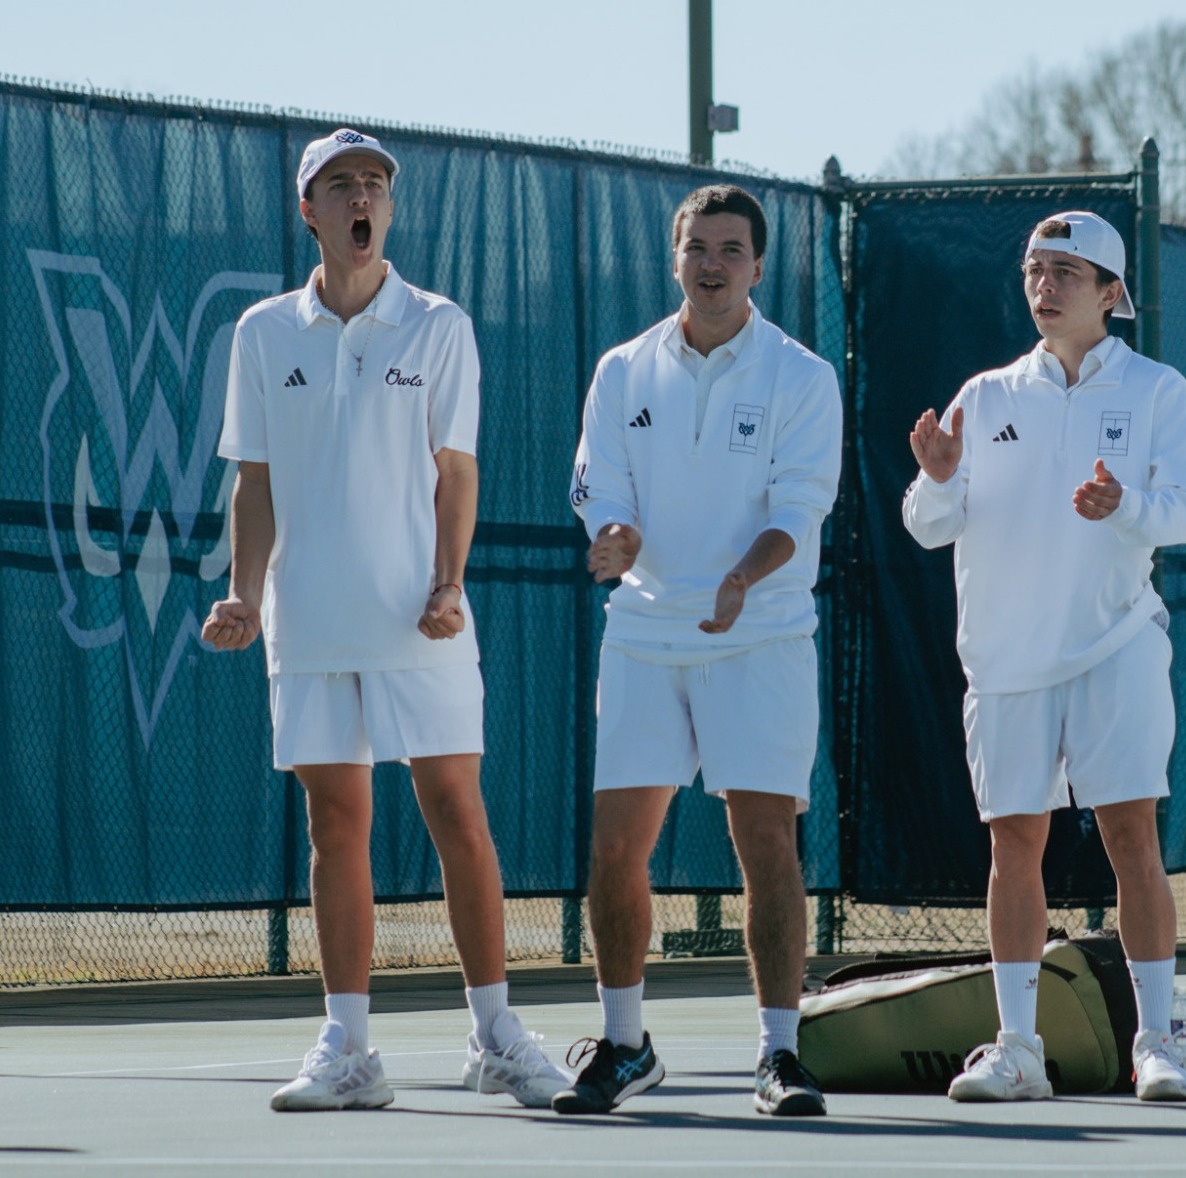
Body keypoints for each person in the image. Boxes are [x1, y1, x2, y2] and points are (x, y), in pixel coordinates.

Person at [204, 128, 567, 1111]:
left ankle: (495, 1032)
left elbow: (456, 468)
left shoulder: (438, 323)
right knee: (338, 821)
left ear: (387, 212)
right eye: (342, 184)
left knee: (458, 811)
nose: (363, 198)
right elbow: (257, 479)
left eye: (376, 186)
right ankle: (349, 1046)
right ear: (309, 210)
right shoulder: (261, 332)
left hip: (422, 617)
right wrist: (243, 589)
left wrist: (449, 580)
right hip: (310, 618)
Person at [903, 211, 1186, 1103]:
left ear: (1111, 294)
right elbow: (927, 528)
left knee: (1130, 837)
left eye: (1066, 272)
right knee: (1014, 846)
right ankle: (1018, 1049)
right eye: (1035, 270)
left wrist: (1121, 505)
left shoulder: (1158, 391)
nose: (1045, 285)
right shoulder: (987, 393)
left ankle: (1157, 1043)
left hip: (1116, 644)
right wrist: (933, 474)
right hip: (1002, 660)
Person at [554, 184, 842, 1118]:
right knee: (613, 848)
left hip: (759, 636)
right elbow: (602, 492)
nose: (711, 264)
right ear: (674, 260)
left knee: (766, 843)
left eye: (730, 250)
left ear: (758, 268)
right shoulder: (621, 370)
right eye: (696, 248)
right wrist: (615, 537)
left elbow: (798, 513)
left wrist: (739, 580)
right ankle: (625, 1043)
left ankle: (780, 1054)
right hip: (642, 635)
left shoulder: (801, 378)